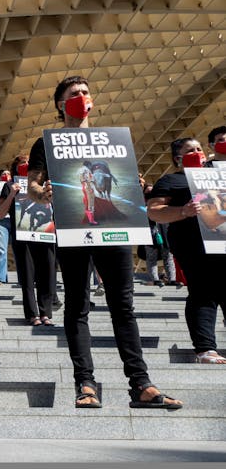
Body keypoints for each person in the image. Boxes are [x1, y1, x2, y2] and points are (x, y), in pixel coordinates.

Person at [27, 75, 182, 409]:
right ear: (60, 104)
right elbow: (32, 188)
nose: (81, 98)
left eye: (85, 92)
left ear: (93, 101)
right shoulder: (47, 142)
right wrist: (44, 193)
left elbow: (121, 181)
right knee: (77, 304)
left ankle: (141, 383)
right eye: (73, 94)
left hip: (114, 229)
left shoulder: (110, 140)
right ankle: (85, 382)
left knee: (123, 306)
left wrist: (136, 185)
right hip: (74, 227)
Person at [147, 138, 226, 364]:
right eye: (190, 150)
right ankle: (205, 348)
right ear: (177, 158)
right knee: (203, 291)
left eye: (200, 149)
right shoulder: (171, 180)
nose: (197, 153)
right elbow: (154, 211)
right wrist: (183, 211)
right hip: (193, 244)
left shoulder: (218, 174)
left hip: (222, 239)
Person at [0, 155, 56, 326]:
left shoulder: (45, 182)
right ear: (16, 167)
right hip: (23, 237)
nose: (27, 165)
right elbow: (0, 213)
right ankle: (32, 314)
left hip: (45, 234)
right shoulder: (9, 186)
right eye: (23, 163)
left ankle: (46, 313)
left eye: (29, 163)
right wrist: (12, 194)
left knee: (47, 273)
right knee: (28, 276)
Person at [142, 184, 176, 287]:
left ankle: (172, 279)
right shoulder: (142, 204)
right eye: (148, 192)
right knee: (151, 256)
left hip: (164, 231)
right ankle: (155, 279)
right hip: (149, 232)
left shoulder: (163, 202)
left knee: (168, 255)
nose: (151, 194)